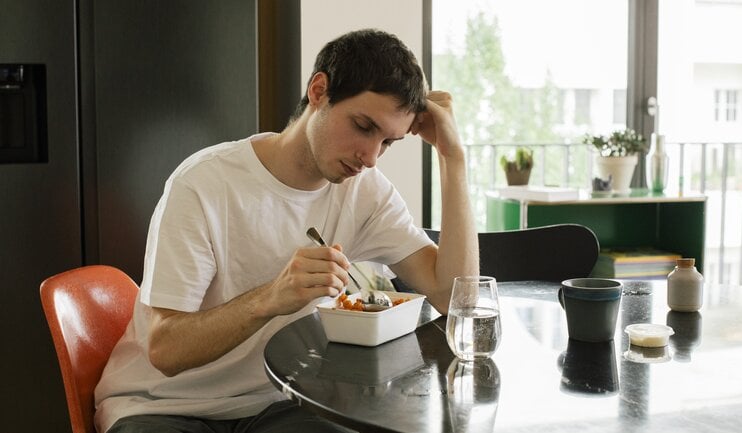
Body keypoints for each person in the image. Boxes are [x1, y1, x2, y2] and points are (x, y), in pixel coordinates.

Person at [94, 28, 478, 433]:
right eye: (364, 126)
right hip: (162, 406)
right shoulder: (204, 184)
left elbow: (455, 299)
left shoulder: (365, 193)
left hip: (280, 401)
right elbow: (164, 349)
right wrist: (271, 298)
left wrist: (454, 160)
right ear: (318, 91)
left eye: (388, 142)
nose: (370, 158)